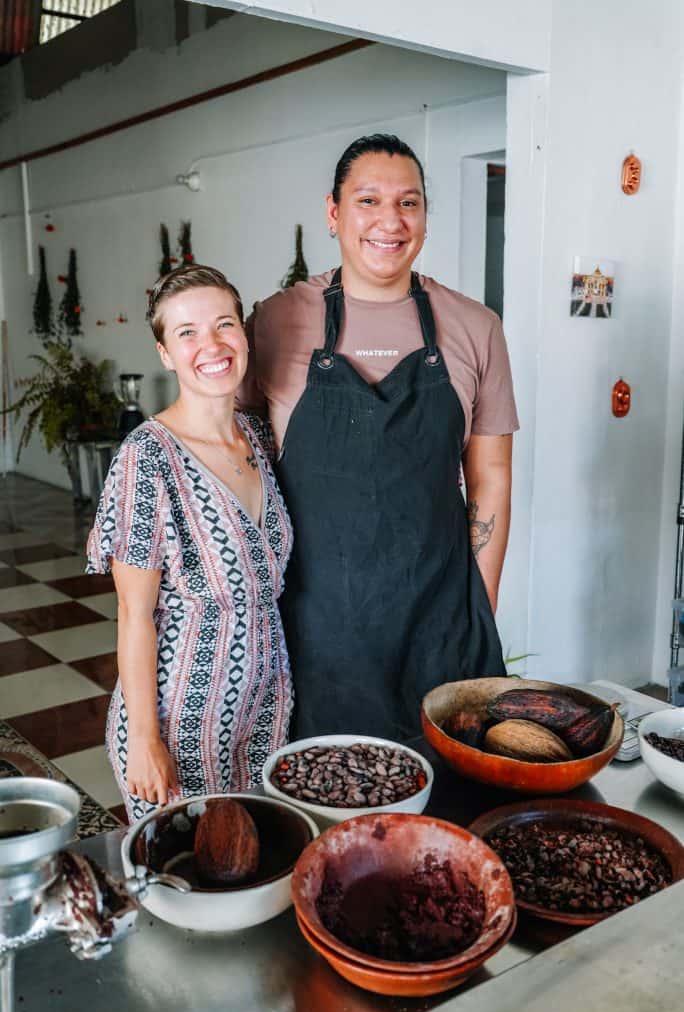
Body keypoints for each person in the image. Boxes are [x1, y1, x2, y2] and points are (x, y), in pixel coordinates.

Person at [241, 134, 519, 742]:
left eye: (409, 203)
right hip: (313, 630)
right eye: (368, 200)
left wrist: (479, 609)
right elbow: (235, 462)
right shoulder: (276, 320)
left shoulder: (476, 327)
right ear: (334, 213)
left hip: (441, 624)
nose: (390, 222)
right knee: (329, 818)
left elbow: (491, 478)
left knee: (452, 814)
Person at [87, 265, 293, 821]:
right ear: (165, 353)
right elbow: (134, 615)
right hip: (182, 718)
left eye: (224, 324)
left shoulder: (256, 435)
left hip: (263, 708)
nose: (212, 345)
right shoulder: (146, 457)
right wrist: (146, 743)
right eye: (187, 333)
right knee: (189, 884)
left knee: (257, 869)